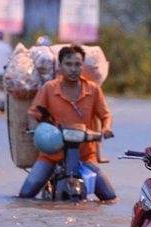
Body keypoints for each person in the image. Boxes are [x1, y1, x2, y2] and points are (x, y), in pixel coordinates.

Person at [19, 44, 117, 201]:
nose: (73, 69)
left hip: (85, 155)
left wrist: (106, 128)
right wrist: (35, 128)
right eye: (68, 64)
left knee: (110, 197)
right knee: (25, 196)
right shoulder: (49, 88)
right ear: (60, 66)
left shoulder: (93, 89)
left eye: (77, 64)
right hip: (51, 154)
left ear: (82, 66)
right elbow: (32, 114)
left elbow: (105, 115)